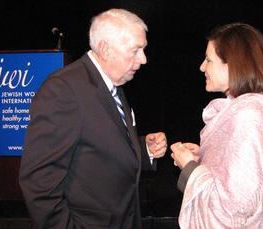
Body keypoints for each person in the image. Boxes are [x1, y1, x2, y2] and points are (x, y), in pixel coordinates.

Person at [19, 8, 167, 229]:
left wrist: (143, 149)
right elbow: (39, 183)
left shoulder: (111, 84)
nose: (143, 59)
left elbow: (99, 148)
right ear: (105, 49)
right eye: (136, 50)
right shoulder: (63, 90)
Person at [170, 23, 263, 228]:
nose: (202, 67)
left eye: (209, 60)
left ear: (233, 65)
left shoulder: (250, 118)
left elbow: (233, 214)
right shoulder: (252, 111)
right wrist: (205, 157)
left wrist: (190, 168)